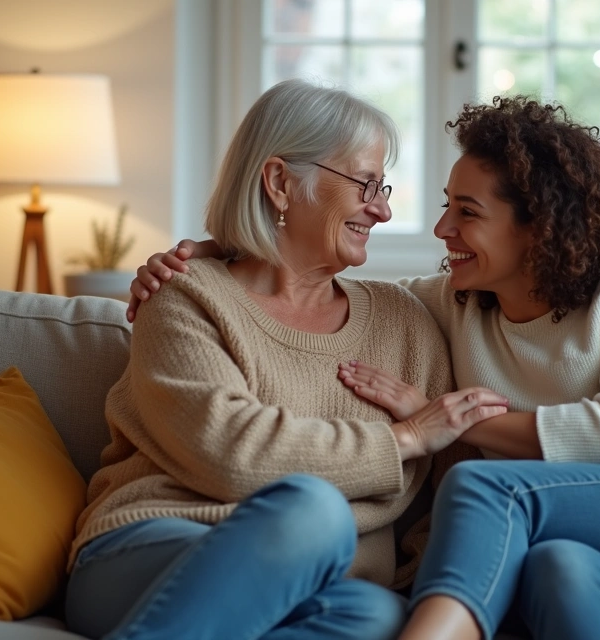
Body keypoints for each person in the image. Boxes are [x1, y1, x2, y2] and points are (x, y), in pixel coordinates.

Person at [127, 96, 600, 640]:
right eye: (445, 205)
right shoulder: (455, 305)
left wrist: (433, 421)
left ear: (540, 226)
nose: (441, 227)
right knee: (559, 572)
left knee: (487, 487)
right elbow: (298, 272)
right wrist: (220, 249)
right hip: (581, 543)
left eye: (467, 213)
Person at [65, 79, 509, 640]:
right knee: (311, 510)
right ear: (279, 182)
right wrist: (404, 438)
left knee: (375, 616)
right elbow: (234, 454)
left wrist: (416, 580)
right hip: (153, 554)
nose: (384, 210)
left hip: (319, 594)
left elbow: (447, 497)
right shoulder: (185, 296)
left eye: (384, 186)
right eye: (366, 184)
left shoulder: (407, 322)